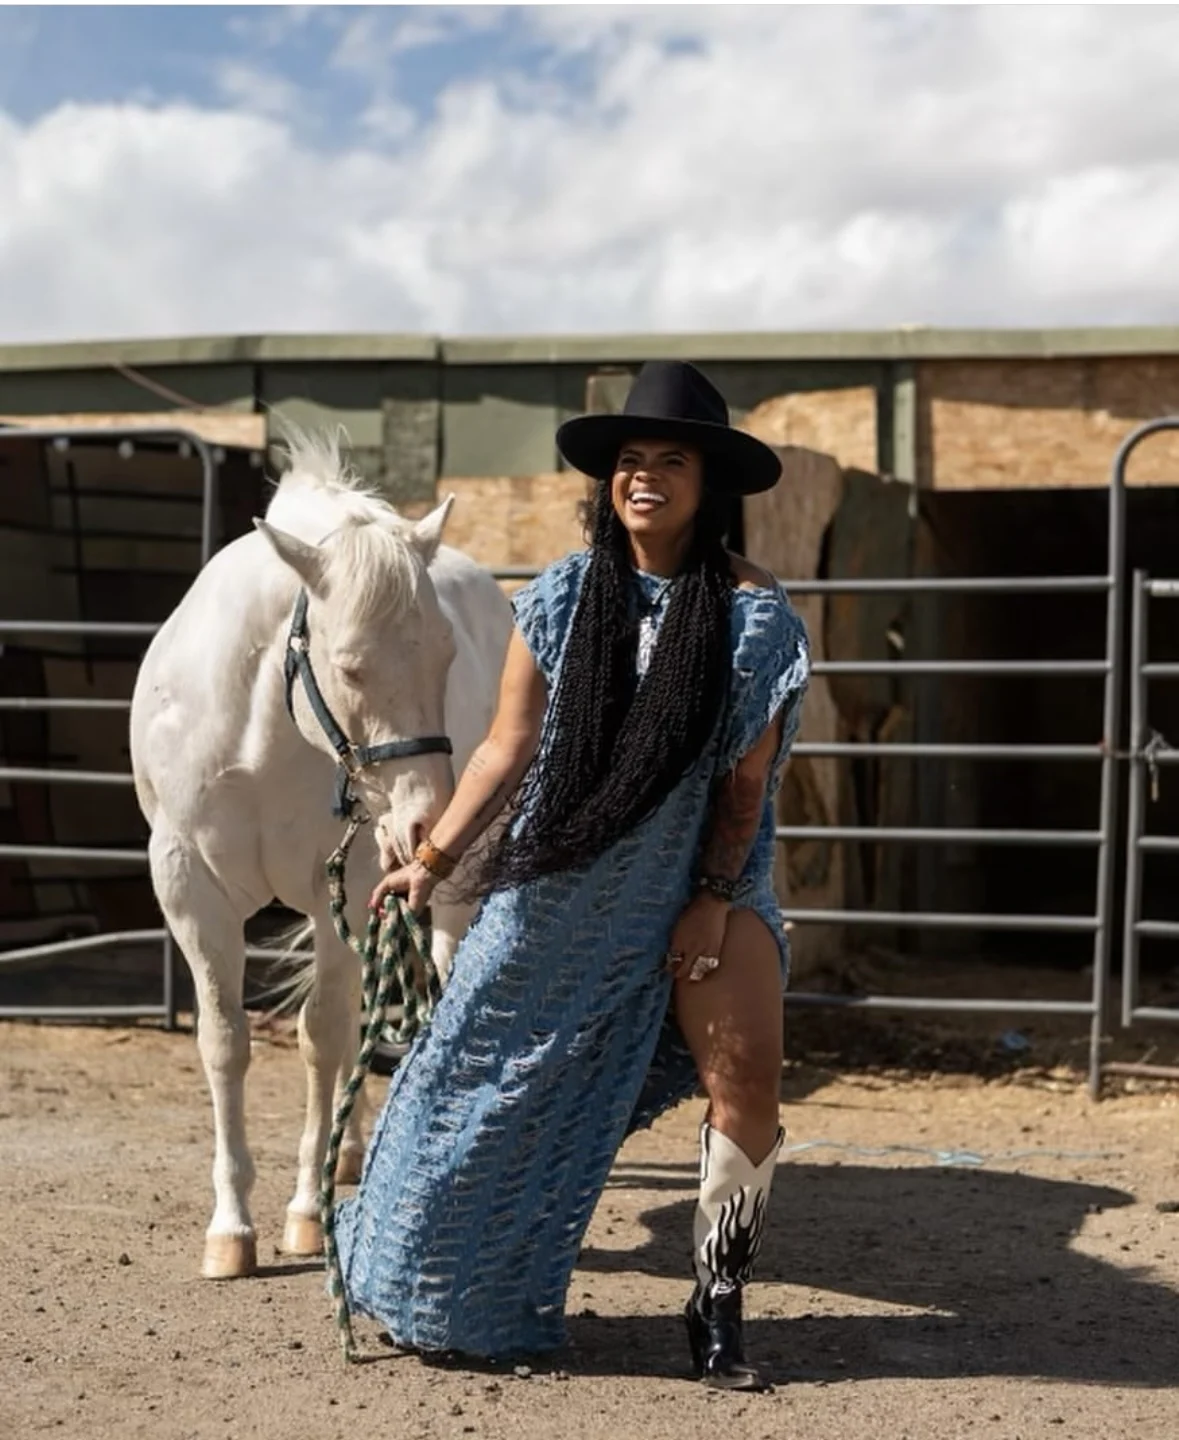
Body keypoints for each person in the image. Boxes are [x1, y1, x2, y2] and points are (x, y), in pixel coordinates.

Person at [334, 360, 810, 1391]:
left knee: (750, 1080)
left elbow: (742, 791)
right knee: (465, 1079)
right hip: (560, 884)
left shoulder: (755, 616)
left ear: (707, 483)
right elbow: (508, 748)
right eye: (630, 463)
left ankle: (717, 1303)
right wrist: (432, 858)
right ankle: (432, 1274)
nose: (644, 478)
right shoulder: (558, 595)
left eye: (669, 462)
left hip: (705, 886)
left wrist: (712, 902)